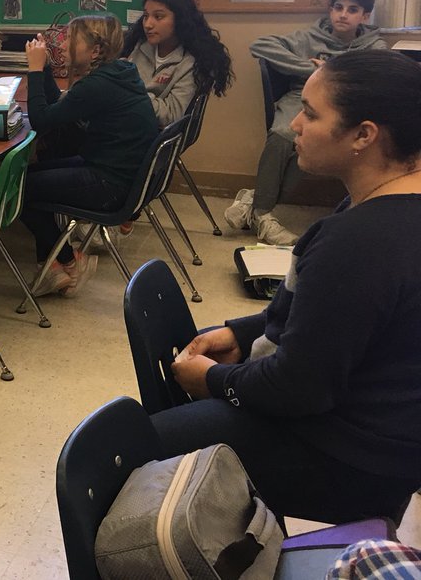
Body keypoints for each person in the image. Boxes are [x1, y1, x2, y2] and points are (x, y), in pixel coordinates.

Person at [153, 49, 421, 525]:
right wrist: (241, 331)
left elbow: (298, 389)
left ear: (364, 135)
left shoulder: (358, 242)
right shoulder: (381, 203)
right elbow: (329, 314)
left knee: (129, 451)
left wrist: (211, 381)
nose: (295, 124)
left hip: (350, 458)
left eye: (311, 114)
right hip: (384, 440)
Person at [226, 0, 385, 245]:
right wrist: (309, 70)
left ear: (365, 16)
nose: (343, 15)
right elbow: (260, 45)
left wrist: (331, 74)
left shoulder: (374, 46)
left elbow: (375, 79)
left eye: (352, 10)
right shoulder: (308, 38)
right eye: (338, 7)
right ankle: (263, 215)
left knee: (312, 144)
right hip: (301, 98)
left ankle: (255, 203)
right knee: (280, 136)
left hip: (344, 108)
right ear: (330, 10)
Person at [20, 14, 158, 296]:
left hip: (111, 182)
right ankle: (53, 268)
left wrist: (34, 70)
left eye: (72, 39)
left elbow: (40, 120)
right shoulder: (119, 72)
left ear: (95, 50)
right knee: (27, 177)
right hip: (117, 171)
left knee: (16, 189)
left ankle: (69, 262)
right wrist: (45, 68)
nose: (63, 44)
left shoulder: (97, 85)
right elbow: (56, 111)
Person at [121, 0, 234, 127]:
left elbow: (171, 115)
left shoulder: (192, 63)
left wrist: (129, 88)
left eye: (158, 17)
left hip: (142, 135)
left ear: (180, 19)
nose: (148, 24)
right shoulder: (135, 45)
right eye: (145, 16)